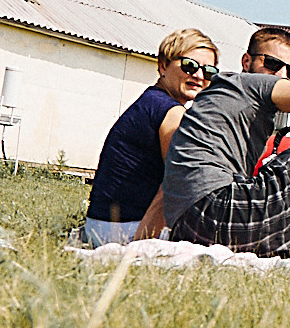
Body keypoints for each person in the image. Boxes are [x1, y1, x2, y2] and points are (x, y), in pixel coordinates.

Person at [161, 27, 290, 269]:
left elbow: (167, 188)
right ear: (246, 61)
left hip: (190, 226)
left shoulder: (219, 103)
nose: (282, 76)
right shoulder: (244, 84)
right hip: (218, 210)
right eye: (272, 64)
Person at [81, 27, 218, 246]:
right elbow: (179, 181)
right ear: (163, 66)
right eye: (189, 66)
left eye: (209, 71)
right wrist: (142, 243)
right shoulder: (171, 113)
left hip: (100, 225)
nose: (199, 76)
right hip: (123, 231)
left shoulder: (151, 102)